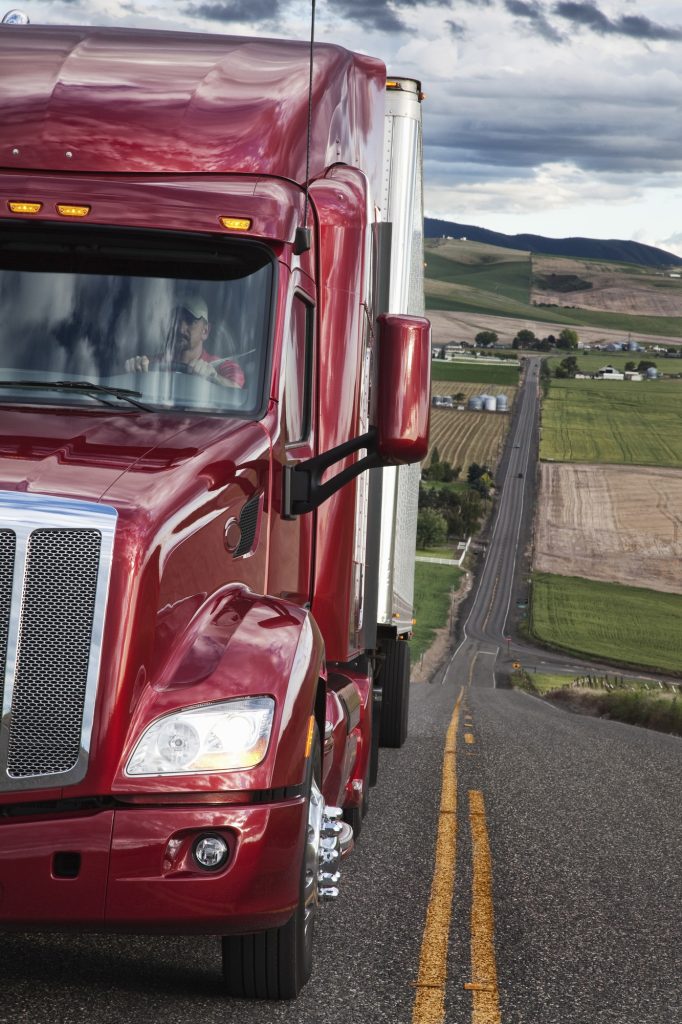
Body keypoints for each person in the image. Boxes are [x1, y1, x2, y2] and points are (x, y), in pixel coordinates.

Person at [125, 294, 244, 388]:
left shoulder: (224, 367)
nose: (180, 329)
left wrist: (214, 378)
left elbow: (236, 392)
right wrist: (133, 369)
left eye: (190, 321)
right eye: (175, 320)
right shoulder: (153, 364)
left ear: (205, 331)